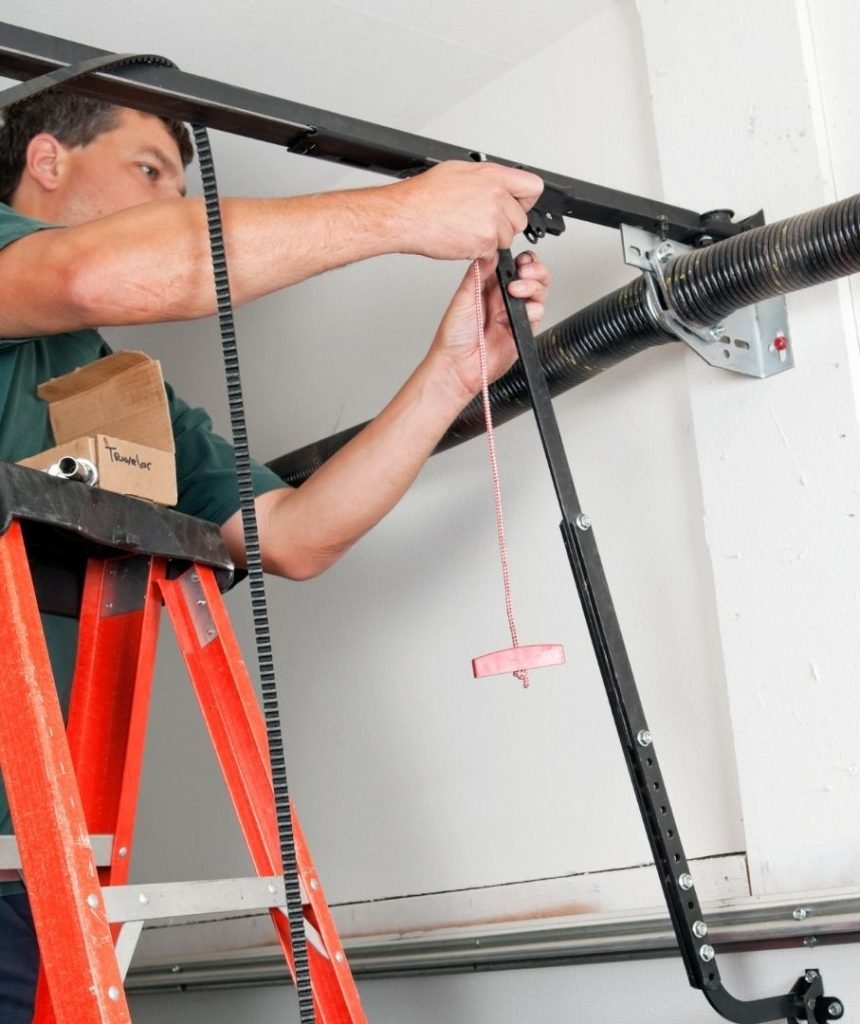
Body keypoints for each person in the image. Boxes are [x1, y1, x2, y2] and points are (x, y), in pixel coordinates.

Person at [0, 90, 550, 1020]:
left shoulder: (120, 400)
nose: (173, 202)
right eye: (148, 171)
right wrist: (408, 213)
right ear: (48, 161)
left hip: (30, 858)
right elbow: (96, 276)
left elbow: (295, 535)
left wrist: (455, 371)